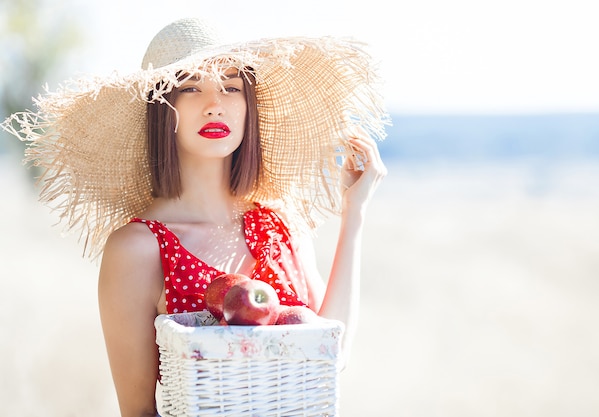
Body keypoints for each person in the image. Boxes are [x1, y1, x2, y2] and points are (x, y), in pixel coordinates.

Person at [3, 18, 388, 417]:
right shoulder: (138, 248)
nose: (214, 103)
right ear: (161, 109)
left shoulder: (281, 228)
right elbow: (138, 410)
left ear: (248, 107)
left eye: (231, 87)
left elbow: (332, 353)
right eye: (191, 87)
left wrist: (353, 214)